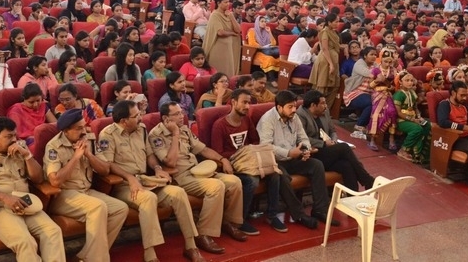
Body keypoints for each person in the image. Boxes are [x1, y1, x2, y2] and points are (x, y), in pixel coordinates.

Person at [97, 100, 207, 262]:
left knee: (178, 193)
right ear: (123, 121)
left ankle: (191, 246)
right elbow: (108, 164)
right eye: (136, 116)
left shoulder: (141, 129)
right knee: (149, 199)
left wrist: (157, 169)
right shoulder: (107, 135)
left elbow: (150, 155)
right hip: (124, 185)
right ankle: (150, 254)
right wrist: (129, 178)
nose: (141, 118)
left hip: (146, 180)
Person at [148, 101, 247, 252]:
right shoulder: (156, 135)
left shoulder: (185, 130)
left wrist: (222, 159)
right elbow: (171, 161)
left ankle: (228, 222)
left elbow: (203, 149)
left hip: (198, 170)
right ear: (165, 119)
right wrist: (175, 134)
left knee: (234, 182)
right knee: (216, 186)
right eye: (177, 114)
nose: (182, 116)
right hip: (180, 177)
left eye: (182, 112)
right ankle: (203, 234)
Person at [0, 116, 66, 262]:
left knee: (53, 232)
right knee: (26, 242)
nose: (14, 140)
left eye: (15, 135)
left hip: (26, 204)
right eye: (8, 136)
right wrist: (5, 198)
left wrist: (27, 156)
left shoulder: (20, 149)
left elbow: (38, 179)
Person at [211, 88, 310, 234]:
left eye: (249, 103)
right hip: (232, 165)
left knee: (275, 173)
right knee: (252, 181)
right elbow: (218, 153)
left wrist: (251, 152)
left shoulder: (246, 120)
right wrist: (243, 152)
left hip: (251, 162)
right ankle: (240, 220)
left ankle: (271, 215)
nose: (247, 106)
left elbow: (256, 141)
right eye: (244, 102)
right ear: (233, 102)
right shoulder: (220, 125)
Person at [44, 108, 129, 262]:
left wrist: (89, 154)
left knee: (120, 209)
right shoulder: (54, 146)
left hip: (86, 191)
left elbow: (104, 170)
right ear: (66, 130)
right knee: (98, 207)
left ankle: (86, 256)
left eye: (84, 126)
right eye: (79, 128)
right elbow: (55, 181)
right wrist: (76, 157)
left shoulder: (88, 139)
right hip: (64, 195)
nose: (84, 130)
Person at [257, 90, 337, 227]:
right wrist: (289, 152)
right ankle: (299, 214)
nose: (294, 110)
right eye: (290, 107)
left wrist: (305, 150)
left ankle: (320, 210)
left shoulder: (294, 117)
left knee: (316, 165)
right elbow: (266, 147)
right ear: (279, 107)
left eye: (295, 106)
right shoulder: (267, 120)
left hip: (293, 156)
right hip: (275, 160)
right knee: (282, 177)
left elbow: (303, 137)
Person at [297, 90, 375, 190]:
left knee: (346, 165)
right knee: (344, 148)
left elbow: (332, 130)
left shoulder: (324, 111)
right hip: (312, 153)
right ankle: (367, 180)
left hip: (327, 151)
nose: (326, 106)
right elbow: (303, 138)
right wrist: (324, 143)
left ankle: (352, 196)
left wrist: (333, 141)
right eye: (322, 103)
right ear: (313, 105)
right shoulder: (300, 116)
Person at [392, 71, 431, 164]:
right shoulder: (399, 94)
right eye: (407, 80)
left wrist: (419, 116)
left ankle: (419, 153)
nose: (410, 83)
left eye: (411, 80)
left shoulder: (412, 92)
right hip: (401, 120)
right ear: (400, 82)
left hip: (413, 118)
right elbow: (398, 113)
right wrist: (413, 120)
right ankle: (403, 150)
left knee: (427, 125)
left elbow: (415, 107)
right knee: (417, 129)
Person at [202, 0, 241, 77]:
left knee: (228, 73)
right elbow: (220, 32)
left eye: (228, 2)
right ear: (219, 3)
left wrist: (231, 16)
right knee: (219, 74)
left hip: (229, 49)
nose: (228, 4)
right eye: (225, 2)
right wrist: (232, 33)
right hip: (218, 49)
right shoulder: (215, 15)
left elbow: (238, 30)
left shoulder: (229, 15)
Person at [309, 12, 341, 109]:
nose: (338, 24)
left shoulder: (333, 32)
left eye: (338, 21)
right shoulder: (324, 32)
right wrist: (331, 64)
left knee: (335, 86)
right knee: (322, 86)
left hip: (334, 60)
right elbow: (325, 49)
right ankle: (315, 109)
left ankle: (325, 110)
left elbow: (336, 46)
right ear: (329, 22)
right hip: (325, 61)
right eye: (336, 22)